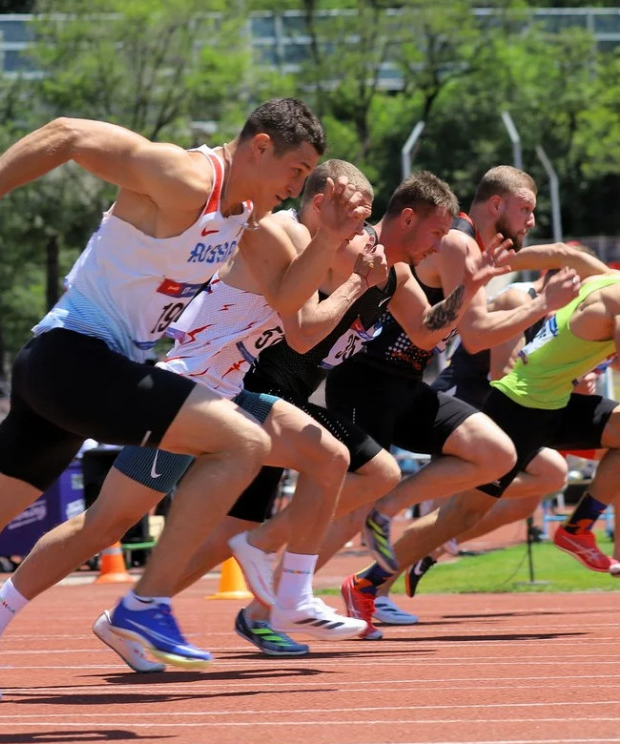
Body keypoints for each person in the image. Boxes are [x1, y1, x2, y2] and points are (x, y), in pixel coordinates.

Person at [0, 98, 336, 735]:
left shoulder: (243, 214)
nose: (299, 187)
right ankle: (146, 605)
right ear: (260, 147)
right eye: (296, 171)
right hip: (73, 357)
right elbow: (69, 133)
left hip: (78, 377)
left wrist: (328, 238)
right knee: (240, 441)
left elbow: (293, 306)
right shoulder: (185, 176)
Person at [0, 159, 378, 700]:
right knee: (104, 525)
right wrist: (360, 281)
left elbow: (308, 321)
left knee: (329, 457)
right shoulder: (279, 233)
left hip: (228, 393)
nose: (361, 230)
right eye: (356, 215)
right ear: (321, 202)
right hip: (186, 389)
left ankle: (288, 592)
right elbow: (302, 334)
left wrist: (358, 273)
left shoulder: (309, 248)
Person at [167, 170, 517, 644]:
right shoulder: (356, 250)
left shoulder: (396, 273)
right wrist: (353, 277)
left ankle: (147, 605)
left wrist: (468, 289)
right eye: (436, 233)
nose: (439, 246)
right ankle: (263, 578)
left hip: (286, 398)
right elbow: (304, 325)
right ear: (407, 218)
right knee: (370, 473)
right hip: (260, 387)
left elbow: (427, 331)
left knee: (225, 536)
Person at [346, 239, 620, 623]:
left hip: (553, 404)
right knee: (460, 515)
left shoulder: (603, 276)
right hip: (518, 408)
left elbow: (562, 255)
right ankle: (368, 583)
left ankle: (578, 529)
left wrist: (500, 262)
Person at [326, 166, 595, 636]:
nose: (531, 219)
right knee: (347, 503)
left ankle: (380, 526)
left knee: (495, 455)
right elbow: (475, 338)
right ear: (497, 205)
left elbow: (458, 327)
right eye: (526, 208)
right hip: (367, 379)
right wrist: (541, 304)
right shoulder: (457, 243)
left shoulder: (473, 250)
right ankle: (284, 598)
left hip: (407, 383)